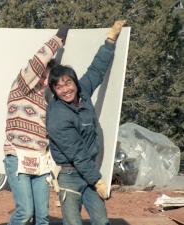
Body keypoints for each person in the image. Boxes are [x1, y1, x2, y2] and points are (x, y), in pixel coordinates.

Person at [46, 20, 126, 225]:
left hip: (89, 170)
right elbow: (78, 153)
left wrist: (110, 40)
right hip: (71, 175)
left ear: (74, 82)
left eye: (68, 83)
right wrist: (97, 180)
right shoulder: (56, 116)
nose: (65, 90)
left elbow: (96, 70)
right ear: (54, 91)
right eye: (59, 87)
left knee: (101, 221)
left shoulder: (83, 92)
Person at [3, 27, 68, 225]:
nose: (48, 80)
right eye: (47, 74)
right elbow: (37, 61)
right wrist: (57, 40)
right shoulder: (21, 87)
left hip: (40, 160)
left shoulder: (48, 101)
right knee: (24, 213)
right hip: (18, 155)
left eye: (51, 78)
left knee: (43, 217)